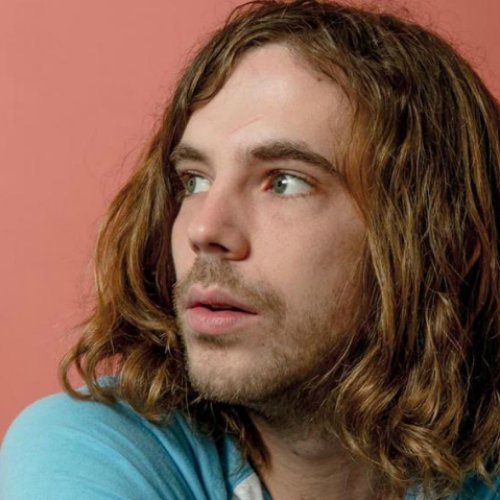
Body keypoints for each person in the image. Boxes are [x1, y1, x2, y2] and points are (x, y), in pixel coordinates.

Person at [1, 0, 499, 498]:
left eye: (284, 182)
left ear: (447, 242)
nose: (204, 230)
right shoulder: (90, 451)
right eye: (195, 180)